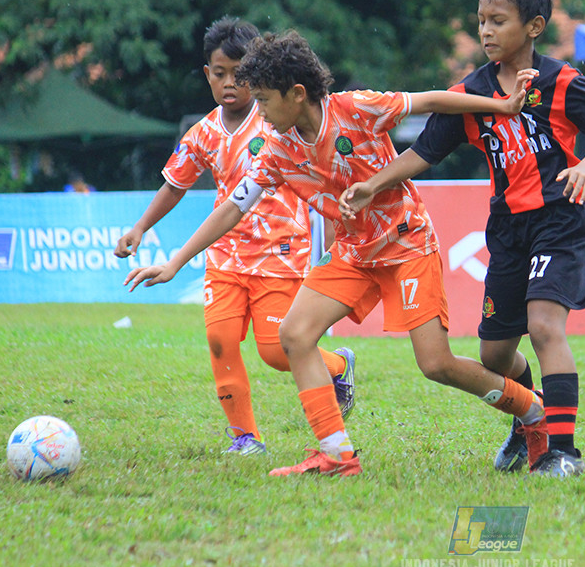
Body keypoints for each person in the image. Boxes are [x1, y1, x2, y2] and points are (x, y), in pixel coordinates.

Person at [125, 29, 547, 478]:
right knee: (294, 334)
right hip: (354, 253)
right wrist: (175, 261)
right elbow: (231, 208)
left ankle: (534, 414)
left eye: (265, 101)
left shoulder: (355, 108)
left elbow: (430, 101)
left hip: (406, 244)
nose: (260, 114)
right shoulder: (277, 149)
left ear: (298, 93)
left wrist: (501, 107)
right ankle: (337, 454)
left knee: (436, 364)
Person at [340, 0, 585, 477]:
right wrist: (373, 183)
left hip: (560, 220)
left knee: (544, 326)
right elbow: (424, 153)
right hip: (508, 231)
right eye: (481, 20)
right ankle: (527, 415)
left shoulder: (562, 82)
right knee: (494, 356)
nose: (486, 30)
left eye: (499, 20)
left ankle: (562, 452)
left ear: (534, 28)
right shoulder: (470, 94)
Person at [115, 17, 355, 456]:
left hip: (279, 253)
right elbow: (175, 185)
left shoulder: (277, 122)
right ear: (207, 74)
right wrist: (139, 227)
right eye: (218, 73)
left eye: (238, 73)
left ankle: (338, 365)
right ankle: (245, 436)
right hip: (224, 255)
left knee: (276, 353)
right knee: (220, 340)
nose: (229, 83)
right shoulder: (203, 133)